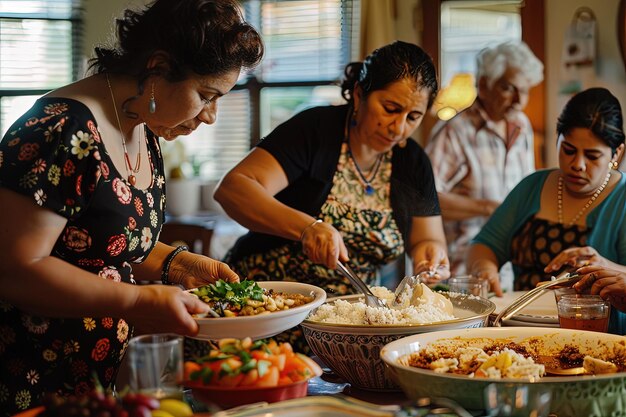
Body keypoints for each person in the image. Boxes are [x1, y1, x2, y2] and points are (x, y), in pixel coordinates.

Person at [0, 0, 263, 413]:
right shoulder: (61, 128)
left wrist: (177, 263)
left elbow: (103, 244)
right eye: (206, 95)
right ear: (157, 68)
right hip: (35, 377)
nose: (211, 116)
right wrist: (139, 302)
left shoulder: (142, 127)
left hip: (100, 378)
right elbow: (16, 268)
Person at [214, 41, 450, 306]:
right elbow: (234, 189)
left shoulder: (413, 161)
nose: (398, 128)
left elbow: (427, 238)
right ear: (360, 95)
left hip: (348, 314)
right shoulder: (315, 130)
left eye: (413, 117)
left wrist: (430, 255)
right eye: (391, 109)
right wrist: (307, 228)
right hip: (266, 303)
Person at [467, 87, 626, 335]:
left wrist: (605, 266)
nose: (577, 165)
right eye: (568, 150)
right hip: (518, 327)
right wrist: (484, 270)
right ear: (558, 139)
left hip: (596, 335)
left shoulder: (622, 199)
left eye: (593, 156)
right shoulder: (532, 187)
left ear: (617, 153)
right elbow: (485, 245)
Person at [425, 41, 544, 280]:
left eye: (525, 90)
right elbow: (424, 199)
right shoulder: (454, 132)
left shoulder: (522, 126)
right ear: (483, 85)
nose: (520, 101)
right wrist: (488, 208)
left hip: (511, 268)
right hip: (462, 272)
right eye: (508, 88)